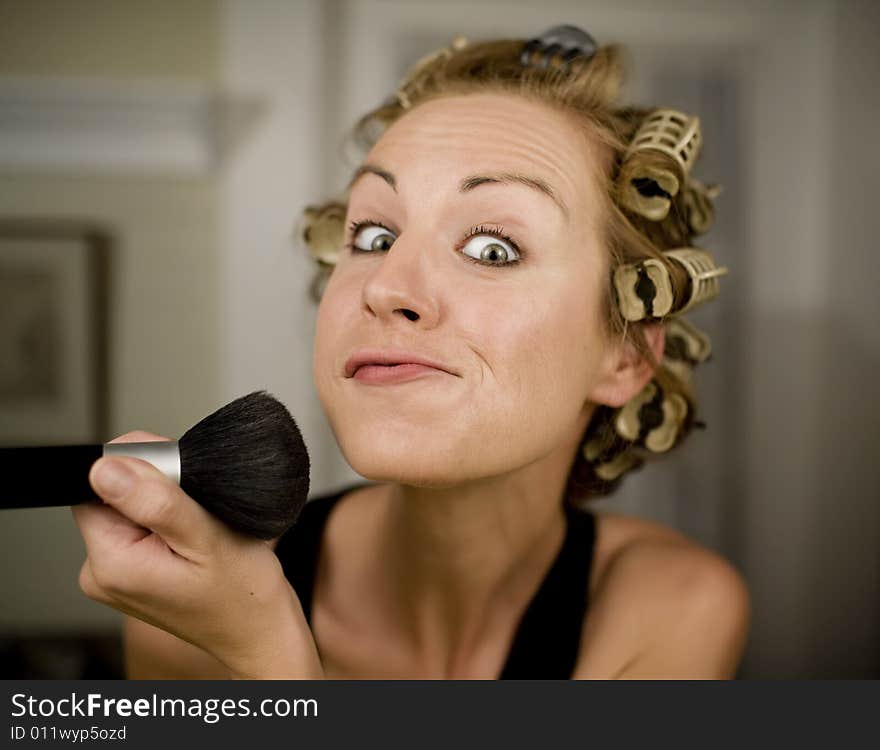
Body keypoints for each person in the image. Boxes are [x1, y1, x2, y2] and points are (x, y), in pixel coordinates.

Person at [74, 26, 749, 680]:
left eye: (493, 248)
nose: (387, 286)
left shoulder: (673, 608)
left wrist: (267, 656)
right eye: (372, 236)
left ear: (625, 358)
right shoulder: (185, 613)